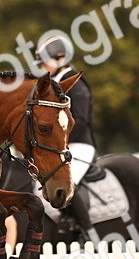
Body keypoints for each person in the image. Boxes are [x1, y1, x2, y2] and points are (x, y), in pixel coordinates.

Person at [36, 35, 95, 236]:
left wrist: (57, 142)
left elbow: (80, 120)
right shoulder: (52, 87)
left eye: (45, 62)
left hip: (79, 145)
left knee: (68, 181)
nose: (42, 67)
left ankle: (88, 232)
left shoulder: (76, 84)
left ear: (60, 59)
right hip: (60, 147)